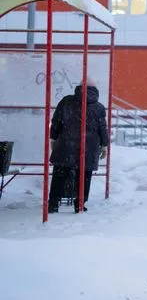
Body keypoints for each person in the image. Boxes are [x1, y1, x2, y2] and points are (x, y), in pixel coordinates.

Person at [48, 79, 108, 214]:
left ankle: (53, 203)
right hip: (88, 148)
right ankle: (79, 204)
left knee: (59, 175)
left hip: (66, 144)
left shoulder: (66, 101)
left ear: (79, 88)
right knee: (84, 176)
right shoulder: (99, 107)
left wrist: (53, 137)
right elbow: (102, 128)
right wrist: (104, 145)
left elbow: (56, 121)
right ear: (95, 90)